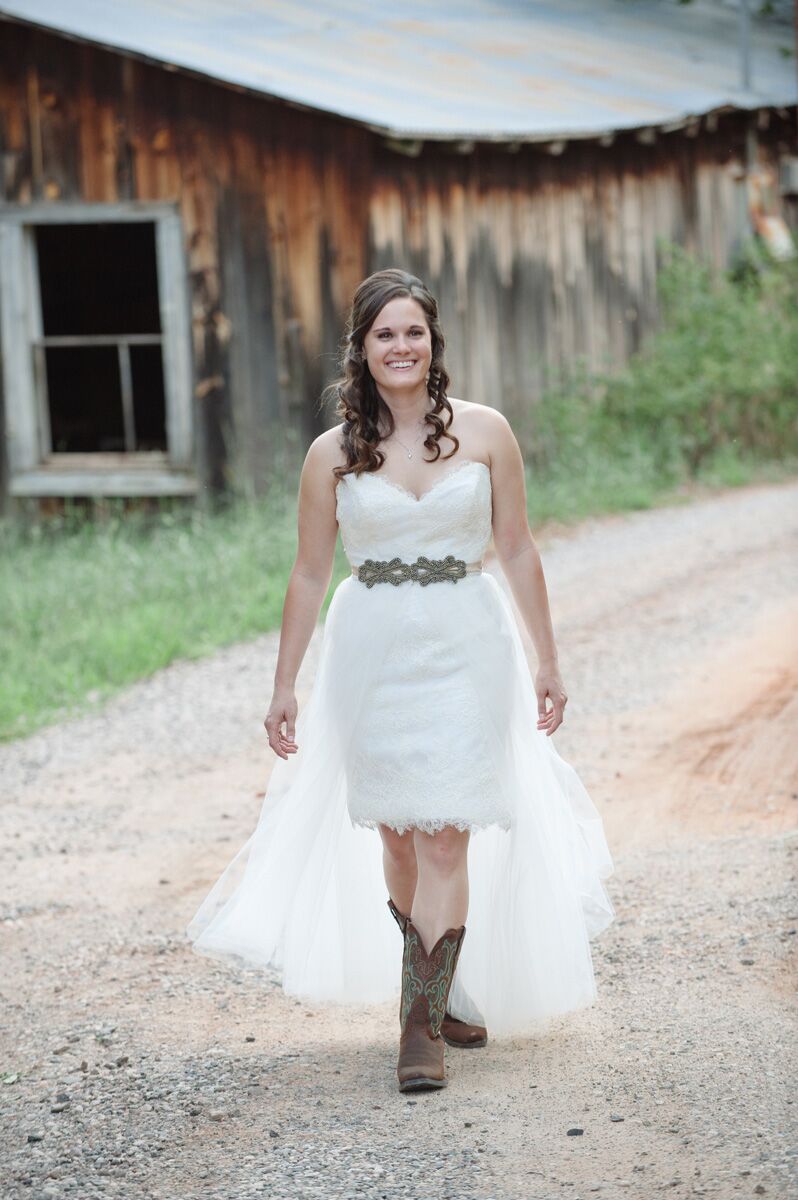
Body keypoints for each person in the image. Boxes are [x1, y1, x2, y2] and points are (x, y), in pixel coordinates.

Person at [187, 268, 616, 1093]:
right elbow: (310, 574)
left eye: (413, 331)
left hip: (466, 641)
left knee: (446, 829)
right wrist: (285, 685)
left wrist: (548, 661)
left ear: (433, 342)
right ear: (361, 348)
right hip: (371, 651)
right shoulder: (331, 455)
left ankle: (417, 1029)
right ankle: (441, 987)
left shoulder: (487, 434)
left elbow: (519, 549)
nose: (401, 346)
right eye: (384, 333)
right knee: (395, 833)